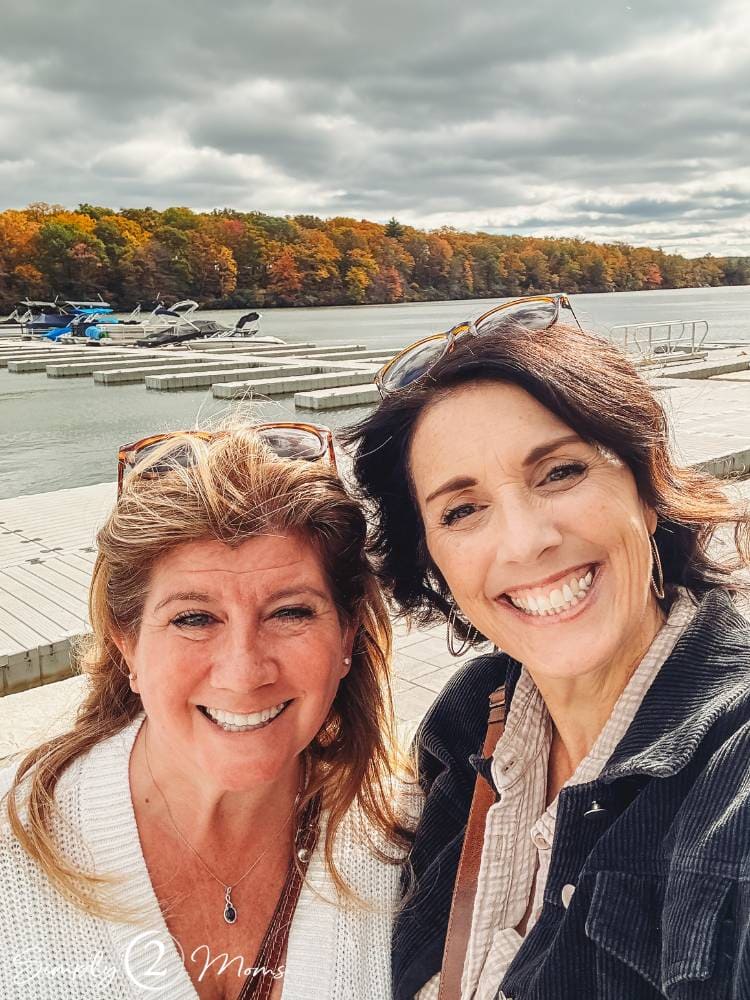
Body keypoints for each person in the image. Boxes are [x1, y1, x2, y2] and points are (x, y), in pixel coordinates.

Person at [345, 296, 750, 1000]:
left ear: (647, 486)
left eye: (559, 472)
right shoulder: (468, 721)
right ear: (434, 561)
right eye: (463, 510)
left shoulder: (733, 766)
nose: (525, 540)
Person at [0, 422, 409, 1000]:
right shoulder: (13, 848)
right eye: (193, 618)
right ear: (127, 646)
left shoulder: (405, 843)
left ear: (347, 636)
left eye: (290, 612)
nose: (243, 672)